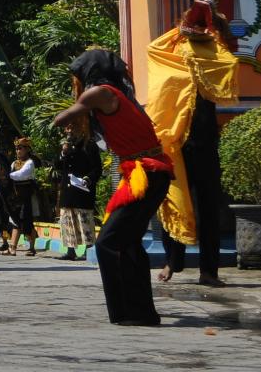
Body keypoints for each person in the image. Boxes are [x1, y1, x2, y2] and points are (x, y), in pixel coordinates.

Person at [53, 49, 173, 326]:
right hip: (147, 172)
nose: (76, 84)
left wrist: (66, 114)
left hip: (146, 172)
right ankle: (140, 313)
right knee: (128, 242)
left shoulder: (99, 93)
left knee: (108, 242)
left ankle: (131, 312)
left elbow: (62, 119)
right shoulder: (114, 92)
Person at [147, 0, 238, 287]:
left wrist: (215, 23)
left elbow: (232, 57)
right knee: (173, 197)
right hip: (175, 139)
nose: (192, 29)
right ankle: (172, 262)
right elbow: (152, 48)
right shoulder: (172, 48)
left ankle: (208, 271)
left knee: (208, 205)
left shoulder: (214, 50)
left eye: (198, 24)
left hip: (205, 138)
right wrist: (180, 29)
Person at [56, 123, 102, 260]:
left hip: (82, 190)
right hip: (68, 190)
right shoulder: (65, 147)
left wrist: (88, 178)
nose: (68, 130)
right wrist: (63, 153)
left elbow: (97, 168)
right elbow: (57, 166)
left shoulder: (89, 145)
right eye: (67, 128)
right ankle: (71, 250)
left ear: (80, 128)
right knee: (67, 220)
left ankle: (89, 250)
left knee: (84, 220)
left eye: (71, 127)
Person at [6, 138, 39, 256]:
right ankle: (12, 248)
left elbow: (22, 175)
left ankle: (31, 248)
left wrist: (7, 175)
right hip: (16, 196)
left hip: (27, 196)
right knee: (16, 220)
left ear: (27, 149)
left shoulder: (30, 162)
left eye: (20, 148)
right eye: (16, 148)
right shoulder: (13, 163)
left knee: (26, 221)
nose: (18, 151)